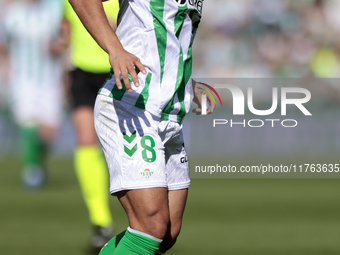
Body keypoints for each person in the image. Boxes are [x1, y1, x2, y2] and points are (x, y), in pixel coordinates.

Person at [69, 0, 214, 254]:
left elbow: (169, 36)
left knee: (166, 233)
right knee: (152, 226)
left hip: (170, 116)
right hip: (132, 105)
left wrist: (185, 84)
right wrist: (114, 48)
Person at [62, 0, 119, 250]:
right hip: (82, 73)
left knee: (123, 146)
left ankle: (143, 224)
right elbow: (66, 30)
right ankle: (101, 221)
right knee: (86, 140)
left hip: (118, 70)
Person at [0, 0, 69, 189]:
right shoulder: (13, 14)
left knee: (49, 132)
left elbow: (65, 37)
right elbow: (3, 44)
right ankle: (31, 171)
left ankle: (37, 161)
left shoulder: (54, 10)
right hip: (23, 79)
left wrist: (58, 47)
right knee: (28, 121)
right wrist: (5, 67)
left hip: (50, 79)